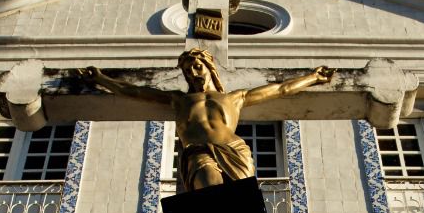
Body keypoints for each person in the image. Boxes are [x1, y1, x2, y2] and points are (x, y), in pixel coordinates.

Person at [83, 50, 332, 191]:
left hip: (234, 150)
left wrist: (313, 78)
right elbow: (134, 92)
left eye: (197, 65)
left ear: (209, 67)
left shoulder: (236, 98)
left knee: (239, 208)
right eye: (188, 68)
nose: (193, 71)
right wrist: (102, 79)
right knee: (209, 193)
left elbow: (281, 90)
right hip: (198, 152)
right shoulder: (178, 100)